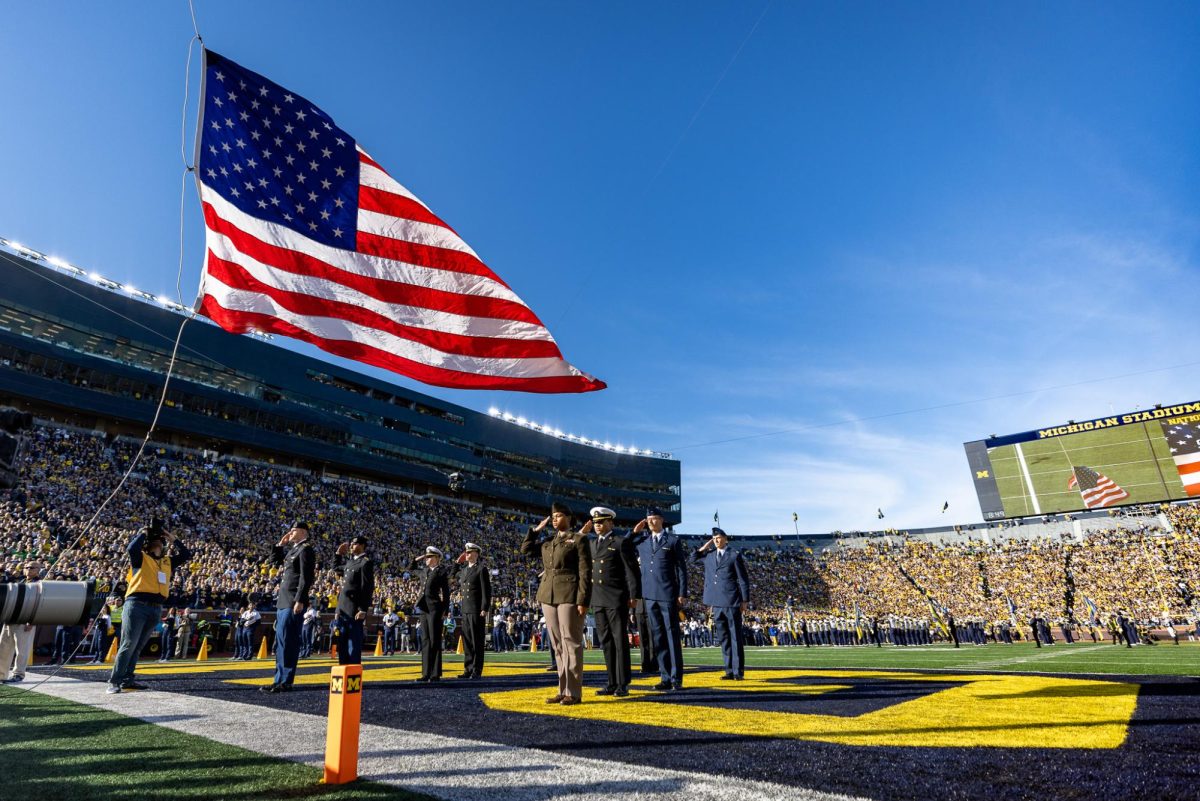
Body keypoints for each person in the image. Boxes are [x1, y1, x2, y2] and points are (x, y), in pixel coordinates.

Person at [107, 519, 190, 694]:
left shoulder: (167, 561)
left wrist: (172, 538)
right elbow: (131, 548)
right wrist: (144, 533)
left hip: (156, 606)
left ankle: (128, 679)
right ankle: (114, 681)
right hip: (137, 604)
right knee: (129, 643)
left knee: (138, 646)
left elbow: (186, 554)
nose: (158, 542)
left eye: (161, 541)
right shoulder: (140, 558)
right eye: (156, 541)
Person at [522, 502, 592, 705]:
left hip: (569, 594)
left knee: (572, 642)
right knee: (558, 645)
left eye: (559, 515)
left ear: (569, 518)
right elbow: (525, 550)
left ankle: (574, 692)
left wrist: (583, 599)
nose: (554, 519)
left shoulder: (579, 540)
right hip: (547, 595)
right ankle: (563, 690)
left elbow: (585, 572)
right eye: (553, 516)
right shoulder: (548, 542)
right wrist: (535, 531)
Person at [630, 507, 688, 691]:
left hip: (667, 594)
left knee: (671, 635)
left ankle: (676, 677)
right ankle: (664, 677)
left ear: (661, 520)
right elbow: (625, 545)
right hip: (649, 595)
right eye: (648, 519)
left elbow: (681, 569)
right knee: (658, 637)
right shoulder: (643, 542)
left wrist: (682, 592)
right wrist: (633, 532)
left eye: (654, 519)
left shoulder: (672, 541)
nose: (651, 522)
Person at [585, 506, 640, 697]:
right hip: (598, 599)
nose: (597, 526)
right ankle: (611, 681)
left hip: (616, 598)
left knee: (619, 641)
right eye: (595, 523)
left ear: (611, 523)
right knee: (606, 642)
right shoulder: (592, 544)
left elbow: (631, 572)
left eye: (601, 522)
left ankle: (623, 683)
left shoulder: (620, 542)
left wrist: (634, 596)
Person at [261, 522, 316, 694]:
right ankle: (278, 679)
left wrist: (300, 599)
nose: (290, 533)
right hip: (284, 601)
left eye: (293, 531)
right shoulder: (294, 550)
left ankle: (286, 681)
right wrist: (279, 546)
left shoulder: (306, 549)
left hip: (293, 600)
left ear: (302, 532)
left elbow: (306, 577)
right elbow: (273, 563)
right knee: (281, 642)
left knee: (288, 641)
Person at [694, 527, 751, 680]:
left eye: (719, 537)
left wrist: (745, 600)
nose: (717, 540)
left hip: (732, 601)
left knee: (735, 638)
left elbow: (743, 579)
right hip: (716, 603)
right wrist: (705, 547)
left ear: (726, 539)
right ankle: (728, 670)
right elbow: (692, 558)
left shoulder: (734, 556)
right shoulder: (709, 555)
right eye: (714, 538)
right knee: (724, 638)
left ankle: (738, 671)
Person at [409, 546, 450, 682]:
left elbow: (446, 593)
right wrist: (417, 558)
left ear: (437, 558)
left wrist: (445, 610)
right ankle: (425, 673)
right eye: (426, 557)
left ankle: (435, 673)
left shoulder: (441, 572)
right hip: (424, 609)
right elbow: (411, 568)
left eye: (429, 557)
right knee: (425, 640)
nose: (427, 559)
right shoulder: (424, 571)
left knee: (434, 640)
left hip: (435, 609)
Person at [332, 535, 374, 665]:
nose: (351, 546)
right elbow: (336, 568)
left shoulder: (365, 562)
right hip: (343, 609)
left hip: (354, 609)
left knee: (353, 644)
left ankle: (352, 673)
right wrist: (338, 554)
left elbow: (367, 588)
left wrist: (363, 608)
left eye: (354, 544)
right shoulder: (350, 562)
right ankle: (343, 669)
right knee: (342, 642)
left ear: (362, 546)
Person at [0, 560, 44, 684]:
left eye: (31, 567)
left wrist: (32, 621)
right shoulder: (21, 582)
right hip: (11, 620)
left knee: (22, 650)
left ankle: (18, 674)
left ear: (38, 570)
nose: (28, 569)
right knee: (3, 648)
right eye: (26, 567)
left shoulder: (39, 585)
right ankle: (1, 674)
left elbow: (40, 605)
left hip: (25, 621)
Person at [455, 542, 492, 679]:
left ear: (476, 554)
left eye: (469, 552)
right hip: (465, 609)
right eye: (466, 552)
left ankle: (476, 670)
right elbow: (452, 575)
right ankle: (468, 668)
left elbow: (486, 591)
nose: (467, 554)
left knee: (477, 641)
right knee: (468, 641)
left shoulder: (481, 569)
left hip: (476, 609)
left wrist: (484, 608)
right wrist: (457, 563)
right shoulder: (464, 570)